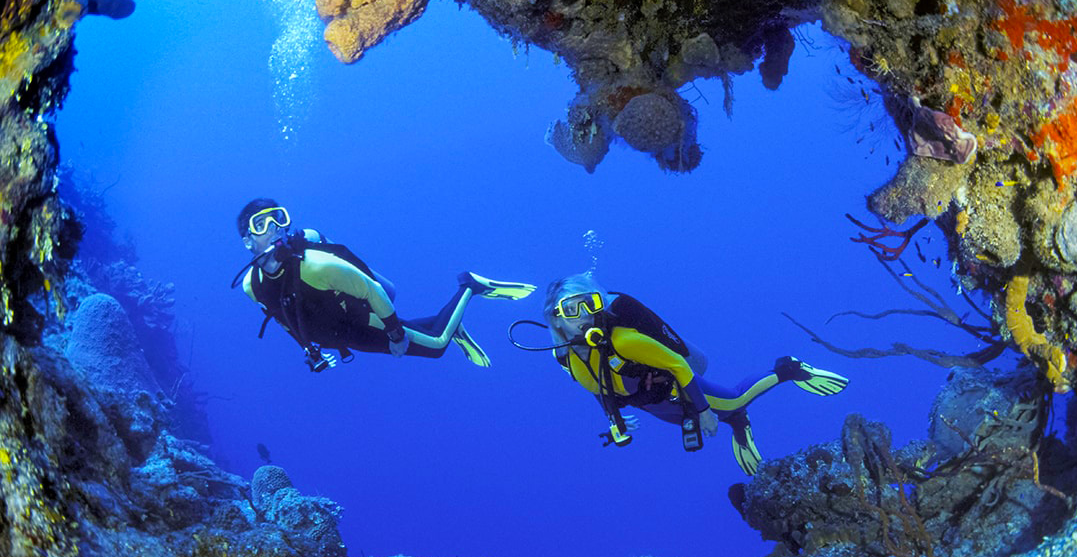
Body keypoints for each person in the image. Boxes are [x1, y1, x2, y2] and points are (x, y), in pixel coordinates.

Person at [538, 272, 849, 475]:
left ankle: (788, 369)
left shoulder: (623, 340)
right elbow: (596, 386)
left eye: (588, 304)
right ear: (556, 320)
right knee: (687, 423)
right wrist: (614, 420)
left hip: (679, 385)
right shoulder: (564, 357)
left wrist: (704, 412)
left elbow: (679, 366)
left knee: (735, 400)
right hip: (648, 401)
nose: (583, 317)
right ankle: (737, 423)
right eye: (571, 310)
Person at [234, 198, 535, 372]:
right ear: (247, 240)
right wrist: (309, 351)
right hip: (346, 336)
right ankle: (448, 323)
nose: (274, 229)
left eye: (278, 219)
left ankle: (470, 285)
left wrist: (394, 333)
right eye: (261, 225)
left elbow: (371, 290)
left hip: (366, 320)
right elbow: (285, 319)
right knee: (421, 334)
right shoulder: (253, 286)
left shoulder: (315, 265)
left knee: (437, 346)